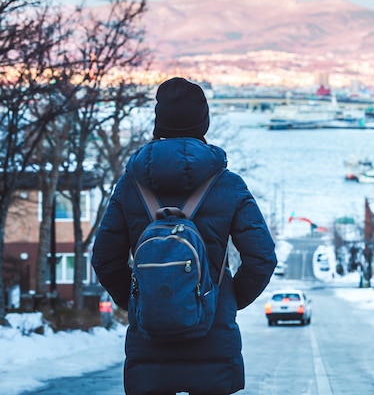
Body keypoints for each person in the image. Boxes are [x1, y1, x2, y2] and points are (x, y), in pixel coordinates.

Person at [92, 77, 277, 395]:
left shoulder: (130, 185)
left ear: (158, 122)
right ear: (203, 123)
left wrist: (142, 300)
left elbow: (104, 259)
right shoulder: (228, 184)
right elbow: (262, 257)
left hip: (148, 343)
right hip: (213, 342)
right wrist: (223, 299)